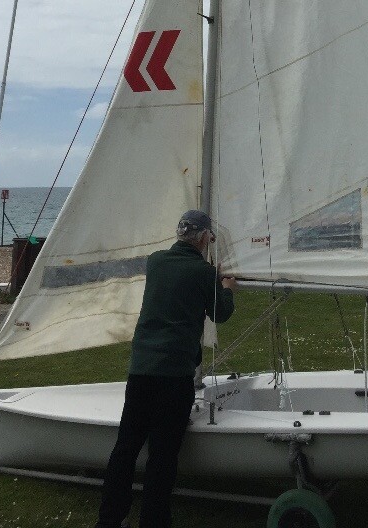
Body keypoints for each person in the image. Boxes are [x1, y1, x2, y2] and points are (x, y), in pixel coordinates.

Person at [95, 209, 237, 528]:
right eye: (209, 238)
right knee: (162, 455)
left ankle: (109, 520)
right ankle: (154, 522)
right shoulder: (203, 272)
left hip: (142, 368)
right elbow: (221, 313)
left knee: (126, 446)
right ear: (203, 238)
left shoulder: (156, 261)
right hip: (174, 375)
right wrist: (225, 286)